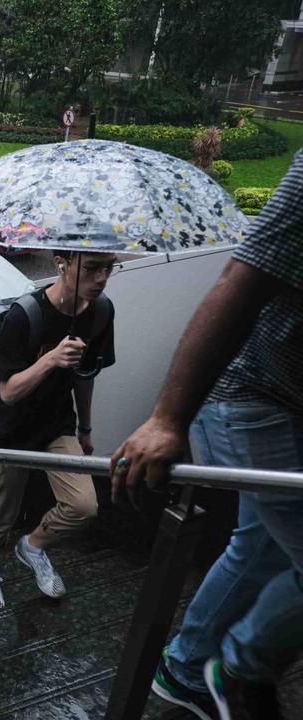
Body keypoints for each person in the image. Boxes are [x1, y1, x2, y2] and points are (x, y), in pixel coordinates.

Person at [112, 153, 303, 720]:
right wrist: (167, 418)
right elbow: (238, 281)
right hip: (252, 393)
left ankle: (189, 666)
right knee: (270, 546)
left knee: (264, 545)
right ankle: (234, 668)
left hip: (287, 397)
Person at [0, 251, 117, 612]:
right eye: (92, 268)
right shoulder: (25, 314)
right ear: (62, 263)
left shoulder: (100, 312)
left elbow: (85, 376)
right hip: (7, 430)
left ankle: (33, 546)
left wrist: (85, 426)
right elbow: (8, 392)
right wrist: (51, 358)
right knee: (0, 516)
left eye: (108, 268)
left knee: (84, 506)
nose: (101, 278)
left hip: (56, 425)